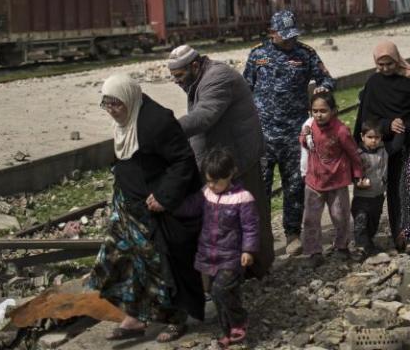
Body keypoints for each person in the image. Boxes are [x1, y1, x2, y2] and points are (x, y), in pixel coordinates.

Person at [90, 74, 204, 342]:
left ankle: (177, 318)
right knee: (126, 259)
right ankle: (135, 317)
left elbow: (183, 161)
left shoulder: (157, 122)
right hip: (128, 205)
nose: (111, 111)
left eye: (116, 105)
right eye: (106, 105)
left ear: (129, 98)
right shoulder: (126, 120)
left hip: (156, 207)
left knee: (163, 263)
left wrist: (164, 196)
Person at [168, 44, 275, 278]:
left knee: (251, 213)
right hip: (226, 155)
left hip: (242, 157)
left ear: (194, 65)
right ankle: (239, 266)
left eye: (179, 75)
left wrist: (168, 129)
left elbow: (204, 116)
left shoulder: (218, 77)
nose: (176, 81)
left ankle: (260, 267)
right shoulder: (197, 78)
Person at [244, 10, 335, 256]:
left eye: (292, 35)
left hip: (294, 133)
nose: (289, 40)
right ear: (271, 32)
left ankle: (292, 234)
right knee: (259, 188)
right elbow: (245, 90)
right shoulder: (257, 55)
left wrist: (321, 91)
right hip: (262, 136)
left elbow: (327, 80)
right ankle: (260, 238)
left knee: (294, 186)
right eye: (284, 36)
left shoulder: (305, 54)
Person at [355, 41, 410, 253]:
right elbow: (367, 118)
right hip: (389, 142)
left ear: (397, 60)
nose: (385, 69)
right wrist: (387, 124)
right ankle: (398, 234)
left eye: (389, 64)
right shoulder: (374, 84)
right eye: (381, 64)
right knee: (394, 186)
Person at [178, 148, 258, 348]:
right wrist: (169, 204)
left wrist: (248, 250)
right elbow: (191, 207)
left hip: (232, 256)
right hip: (209, 255)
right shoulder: (206, 193)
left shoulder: (243, 198)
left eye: (216, 181)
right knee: (217, 294)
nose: (212, 185)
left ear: (230, 174)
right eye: (209, 181)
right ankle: (228, 332)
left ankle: (239, 320)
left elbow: (250, 227)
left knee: (220, 289)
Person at [299, 92, 363, 265]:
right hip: (314, 182)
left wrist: (357, 173)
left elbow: (353, 153)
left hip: (337, 181)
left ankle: (342, 247)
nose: (318, 115)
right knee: (310, 218)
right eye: (315, 111)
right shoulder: (310, 127)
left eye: (323, 111)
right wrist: (304, 137)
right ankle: (314, 252)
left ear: (333, 111)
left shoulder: (341, 130)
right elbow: (305, 144)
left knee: (340, 215)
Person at [351, 120, 388, 261]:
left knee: (373, 221)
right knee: (361, 220)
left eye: (377, 137)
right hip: (362, 196)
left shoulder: (383, 151)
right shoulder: (358, 154)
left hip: (378, 195)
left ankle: (369, 244)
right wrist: (357, 181)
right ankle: (360, 248)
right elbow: (352, 171)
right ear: (362, 136)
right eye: (370, 137)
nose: (373, 141)